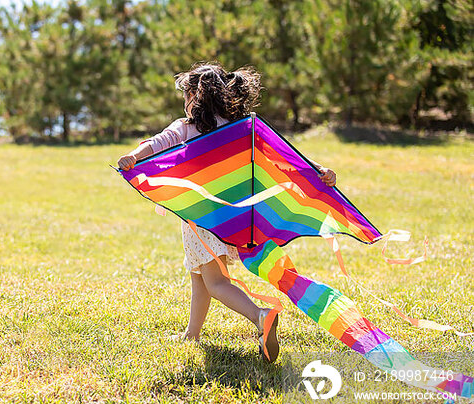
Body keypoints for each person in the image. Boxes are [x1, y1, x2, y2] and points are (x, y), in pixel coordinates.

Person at [117, 63, 336, 363]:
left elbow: (159, 143)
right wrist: (317, 170)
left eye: (186, 95)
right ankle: (192, 334)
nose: (184, 102)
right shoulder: (239, 128)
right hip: (230, 218)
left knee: (216, 282)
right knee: (200, 275)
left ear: (196, 96)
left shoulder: (186, 126)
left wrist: (134, 156)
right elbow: (280, 153)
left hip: (200, 219)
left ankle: (260, 316)